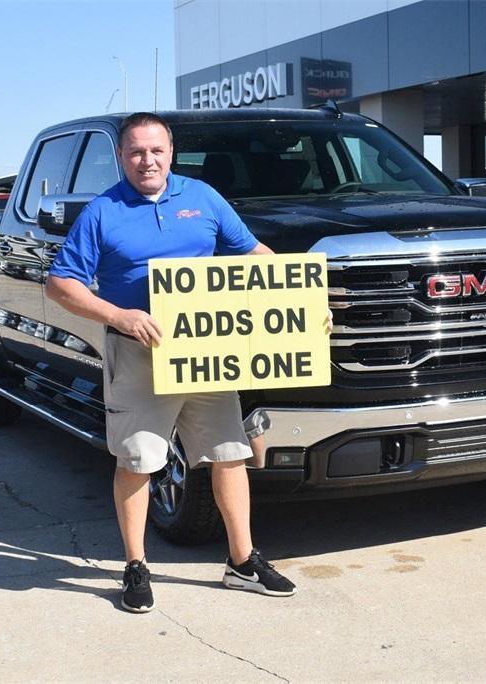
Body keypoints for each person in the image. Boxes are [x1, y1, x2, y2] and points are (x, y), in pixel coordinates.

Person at [46, 112, 297, 614]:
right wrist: (119, 313)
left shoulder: (203, 198)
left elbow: (253, 255)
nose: (147, 160)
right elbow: (60, 283)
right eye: (136, 152)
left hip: (205, 351)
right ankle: (136, 566)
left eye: (156, 150)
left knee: (229, 453)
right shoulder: (102, 212)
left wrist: (305, 305)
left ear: (171, 152)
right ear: (120, 157)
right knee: (138, 460)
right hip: (138, 354)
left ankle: (242, 561)